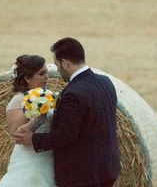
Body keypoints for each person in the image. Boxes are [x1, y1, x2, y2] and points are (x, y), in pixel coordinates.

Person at [12, 37, 121, 187]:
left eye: (57, 65)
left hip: (83, 175)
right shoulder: (105, 82)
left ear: (65, 63)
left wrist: (33, 140)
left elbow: (66, 135)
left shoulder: (73, 93)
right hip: (108, 168)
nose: (57, 70)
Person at [0, 55, 55, 187]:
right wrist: (38, 118)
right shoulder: (18, 100)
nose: (47, 77)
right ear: (27, 78)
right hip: (30, 162)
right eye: (41, 74)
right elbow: (17, 135)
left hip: (49, 161)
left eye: (46, 72)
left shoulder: (48, 96)